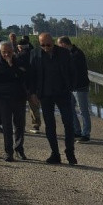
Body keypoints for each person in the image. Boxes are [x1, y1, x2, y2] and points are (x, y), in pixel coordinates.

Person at [28, 32, 77, 164]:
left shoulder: (64, 53)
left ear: (53, 42)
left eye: (48, 44)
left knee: (68, 123)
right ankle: (55, 153)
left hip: (63, 93)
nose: (45, 47)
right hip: (45, 94)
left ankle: (70, 151)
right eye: (42, 45)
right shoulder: (35, 54)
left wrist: (71, 86)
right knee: (50, 125)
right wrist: (32, 93)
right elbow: (31, 75)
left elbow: (73, 71)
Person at [0, 40, 29, 161]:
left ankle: (19, 148)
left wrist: (12, 66)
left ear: (13, 51)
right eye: (4, 52)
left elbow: (23, 77)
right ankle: (8, 151)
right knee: (6, 126)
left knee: (19, 125)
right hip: (3, 98)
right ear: (0, 52)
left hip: (19, 97)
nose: (7, 54)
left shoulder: (19, 61)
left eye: (9, 52)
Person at [57, 36, 92, 142]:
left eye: (59, 45)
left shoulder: (77, 54)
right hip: (72, 87)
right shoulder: (70, 54)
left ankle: (86, 134)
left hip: (80, 87)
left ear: (63, 44)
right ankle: (77, 131)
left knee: (83, 111)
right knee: (71, 109)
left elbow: (75, 72)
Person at [16, 36, 41, 133]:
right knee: (34, 106)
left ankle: (21, 126)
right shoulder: (35, 54)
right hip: (34, 84)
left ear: (20, 47)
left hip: (22, 85)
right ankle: (36, 125)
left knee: (21, 107)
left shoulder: (19, 56)